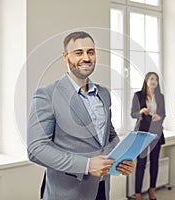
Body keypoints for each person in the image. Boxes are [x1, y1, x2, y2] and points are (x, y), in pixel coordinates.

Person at [27, 31, 135, 200]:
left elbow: (110, 135)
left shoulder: (104, 94)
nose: (86, 58)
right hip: (67, 193)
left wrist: (121, 159)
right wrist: (86, 165)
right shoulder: (46, 95)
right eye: (79, 53)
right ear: (65, 57)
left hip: (102, 188)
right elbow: (36, 149)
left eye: (90, 52)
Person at [131, 72, 166, 200]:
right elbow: (133, 114)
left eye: (156, 79)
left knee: (154, 163)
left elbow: (163, 113)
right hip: (142, 134)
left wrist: (160, 117)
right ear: (146, 81)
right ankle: (138, 193)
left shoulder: (160, 97)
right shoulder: (138, 95)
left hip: (156, 134)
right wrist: (140, 112)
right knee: (141, 164)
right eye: (151, 79)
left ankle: (152, 190)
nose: (154, 81)